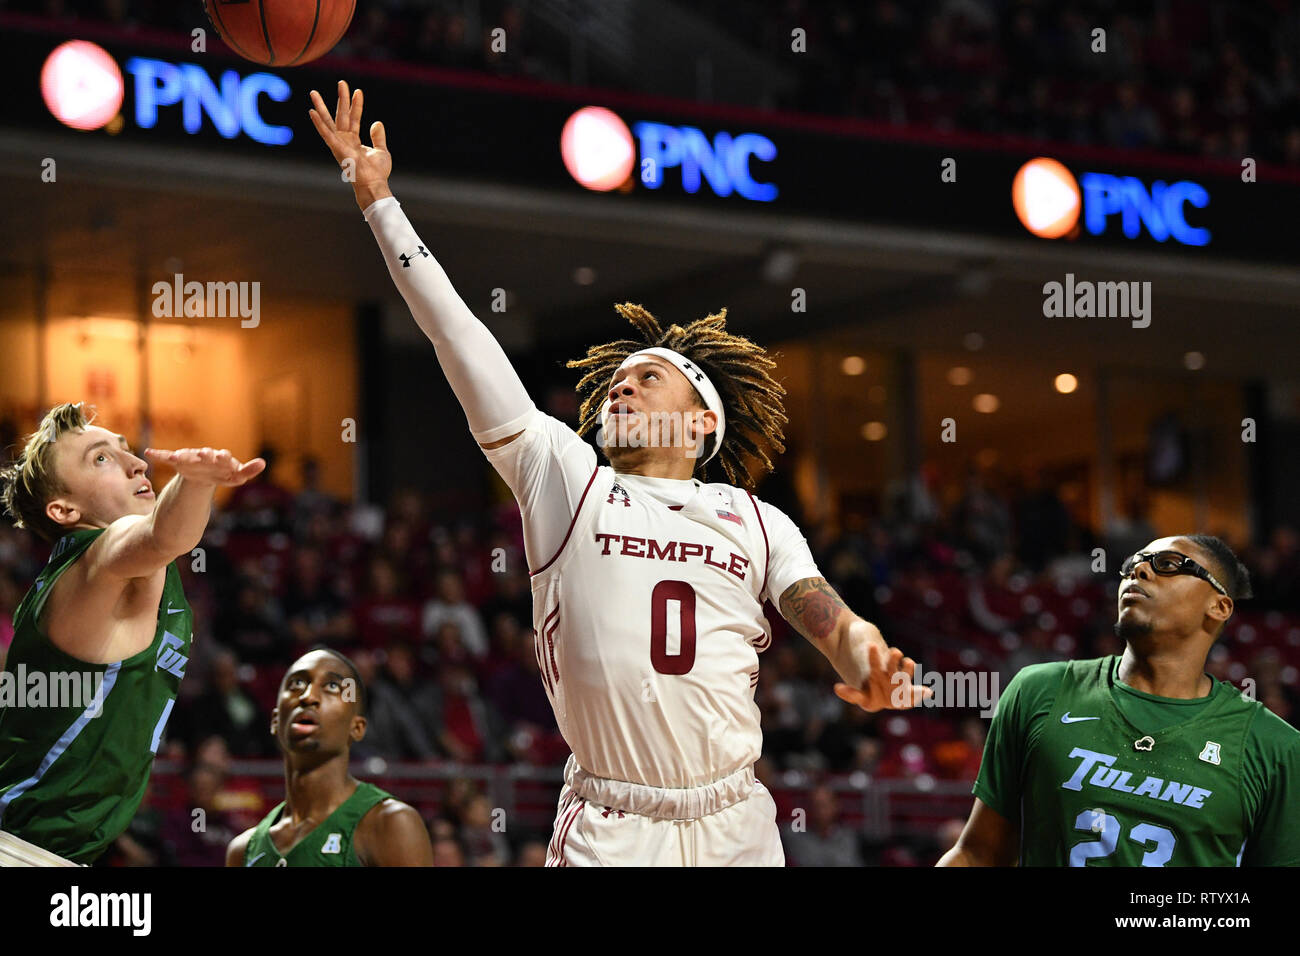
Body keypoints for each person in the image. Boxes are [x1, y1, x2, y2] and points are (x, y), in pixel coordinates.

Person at [309, 80, 928, 867]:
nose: (621, 386)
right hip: (615, 819)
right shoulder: (566, 476)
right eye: (617, 380)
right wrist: (380, 203)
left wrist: (870, 661)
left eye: (647, 377)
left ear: (703, 421)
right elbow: (456, 334)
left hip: (736, 817)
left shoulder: (758, 521)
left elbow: (829, 619)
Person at [0, 402, 263, 865]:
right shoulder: (94, 563)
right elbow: (164, 535)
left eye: (124, 450)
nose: (136, 462)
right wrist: (197, 480)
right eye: (100, 458)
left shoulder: (129, 569)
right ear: (65, 510)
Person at [939, 535, 1300, 866]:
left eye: (1169, 565)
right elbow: (976, 853)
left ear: (1219, 606)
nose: (1139, 570)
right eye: (1133, 565)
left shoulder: (1272, 747)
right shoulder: (1039, 691)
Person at [226, 647, 433, 866]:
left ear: (357, 727)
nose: (308, 697)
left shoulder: (390, 824)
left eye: (332, 686)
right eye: (296, 684)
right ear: (275, 721)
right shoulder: (243, 850)